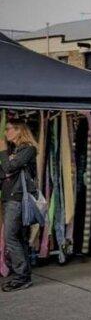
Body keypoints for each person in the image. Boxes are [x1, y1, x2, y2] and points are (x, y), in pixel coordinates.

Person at [1, 121, 38, 292]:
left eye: (8, 129)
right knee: (19, 238)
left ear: (19, 131)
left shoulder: (28, 149)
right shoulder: (14, 151)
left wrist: (2, 151)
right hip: (10, 198)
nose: (5, 132)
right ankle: (24, 276)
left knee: (10, 237)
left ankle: (22, 276)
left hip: (18, 199)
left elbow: (10, 167)